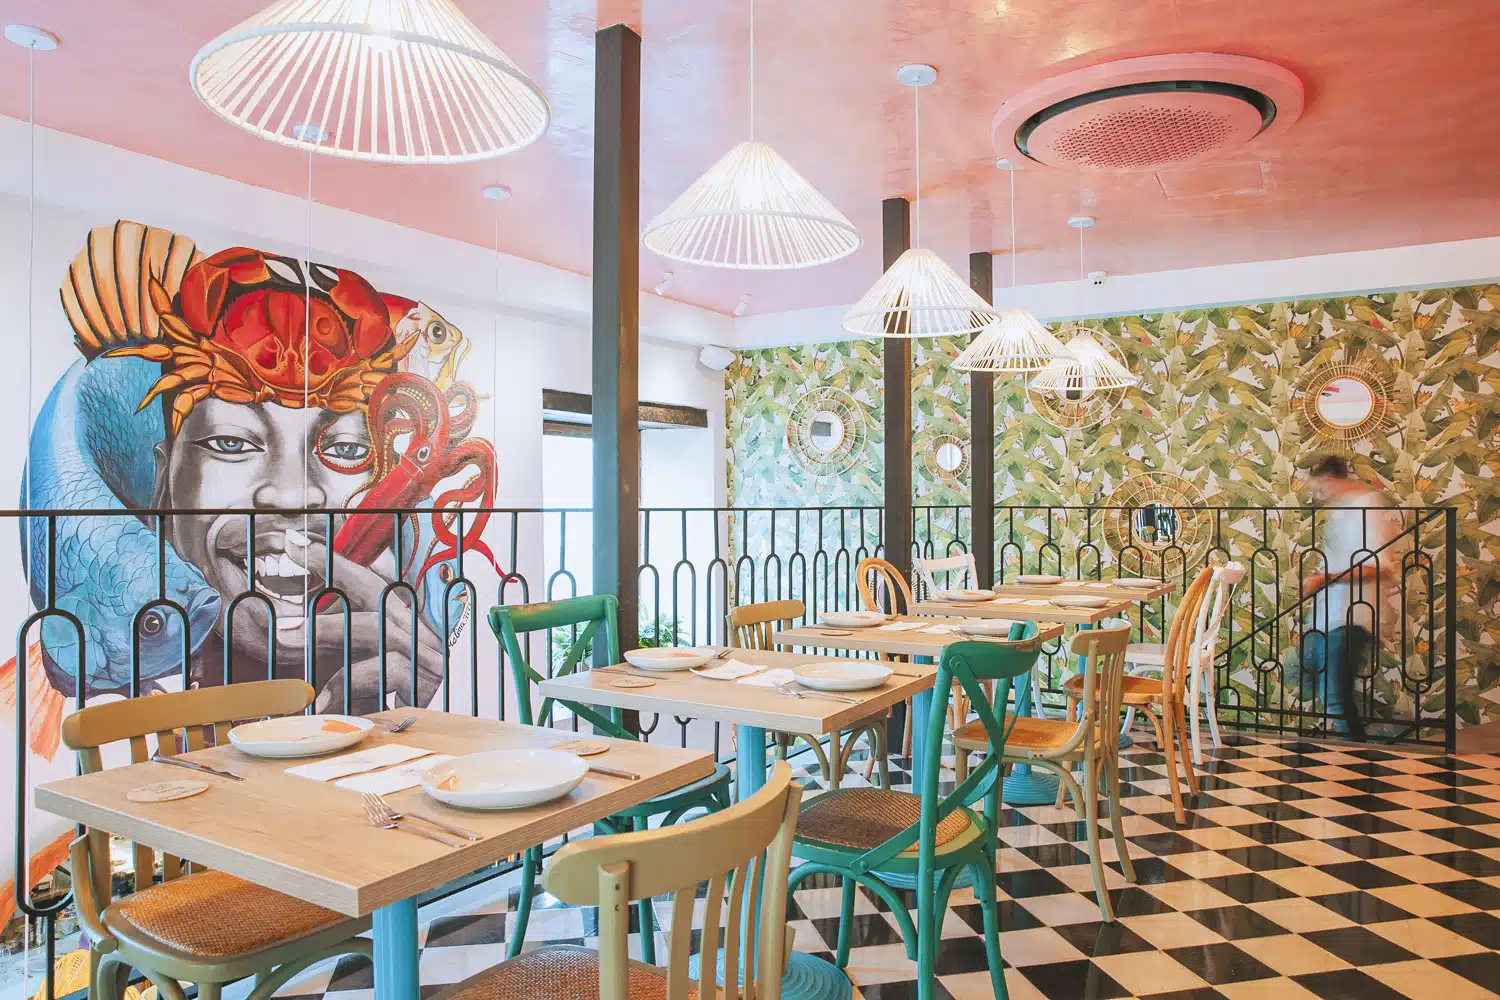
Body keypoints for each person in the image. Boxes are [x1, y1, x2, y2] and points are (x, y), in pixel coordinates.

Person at [1299, 455, 1405, 741]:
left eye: (1318, 488)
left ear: (1329, 481)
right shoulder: (1342, 510)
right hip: (1332, 616)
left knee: (1335, 697)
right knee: (1327, 690)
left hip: (1352, 616)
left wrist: (1324, 579)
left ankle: (1356, 758)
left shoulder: (1366, 506)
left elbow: (1377, 566)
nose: (1316, 496)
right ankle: (1354, 753)